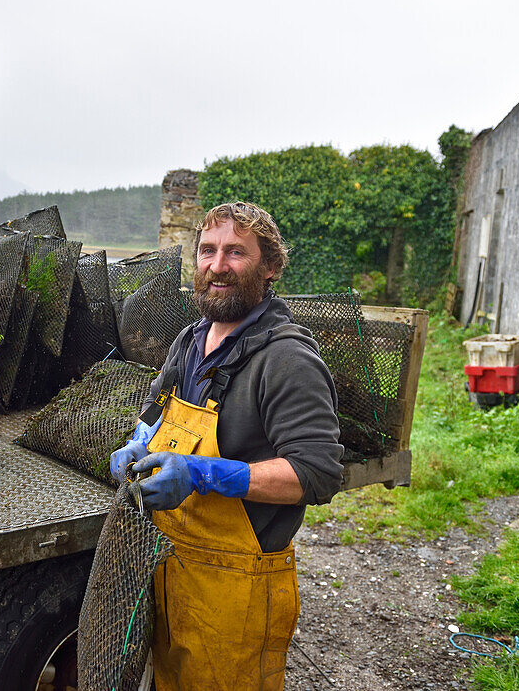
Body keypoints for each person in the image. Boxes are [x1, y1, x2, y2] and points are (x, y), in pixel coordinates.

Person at [110, 201, 343, 690]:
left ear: (271, 266)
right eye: (207, 250)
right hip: (175, 571)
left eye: (236, 252)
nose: (217, 266)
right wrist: (141, 439)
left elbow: (317, 473)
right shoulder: (190, 341)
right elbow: (156, 412)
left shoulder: (287, 359)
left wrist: (204, 474)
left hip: (238, 591)